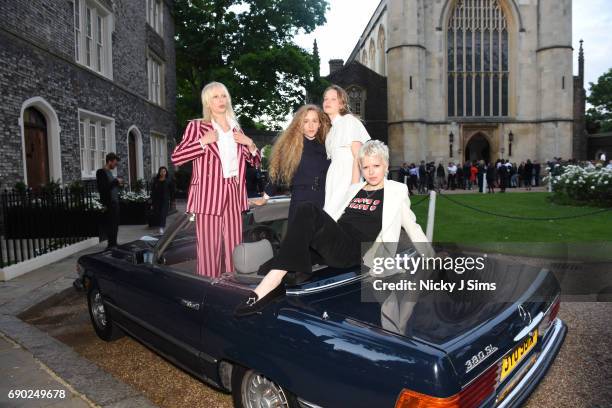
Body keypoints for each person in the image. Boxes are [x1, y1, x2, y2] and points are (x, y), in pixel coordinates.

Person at [235, 140, 434, 317]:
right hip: (333, 241)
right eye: (366, 167)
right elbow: (333, 216)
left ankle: (269, 285)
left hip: (353, 249)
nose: (371, 171)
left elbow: (412, 226)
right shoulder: (354, 189)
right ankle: (276, 284)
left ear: (386, 166)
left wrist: (431, 258)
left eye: (376, 165)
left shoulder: (396, 191)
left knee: (307, 209)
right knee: (266, 266)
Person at [171, 81, 261, 277]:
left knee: (234, 247)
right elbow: (176, 157)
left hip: (234, 193)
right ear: (207, 102)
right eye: (215, 97)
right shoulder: (197, 127)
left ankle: (232, 285)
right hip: (209, 194)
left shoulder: (236, 128)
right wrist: (203, 141)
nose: (221, 100)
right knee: (208, 249)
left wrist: (251, 144)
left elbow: (255, 163)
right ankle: (208, 289)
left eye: (223, 96)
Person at [251, 105, 331, 221]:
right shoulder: (292, 147)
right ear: (299, 124)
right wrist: (265, 198)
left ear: (319, 124)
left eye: (314, 121)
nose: (310, 125)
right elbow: (279, 174)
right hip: (300, 201)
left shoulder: (327, 146)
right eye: (306, 121)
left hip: (322, 201)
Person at [322, 85, 371, 213]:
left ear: (342, 104)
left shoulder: (349, 121)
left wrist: (353, 189)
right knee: (331, 218)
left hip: (347, 177)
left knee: (338, 217)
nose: (327, 102)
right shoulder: (330, 131)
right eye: (325, 99)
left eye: (333, 99)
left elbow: (358, 156)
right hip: (334, 177)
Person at [96, 153, 123, 249]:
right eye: (115, 163)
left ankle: (114, 243)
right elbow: (103, 188)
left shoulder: (110, 173)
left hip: (115, 201)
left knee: (115, 223)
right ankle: (111, 244)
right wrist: (116, 181)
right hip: (109, 202)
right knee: (110, 223)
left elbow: (111, 186)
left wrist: (118, 184)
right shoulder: (101, 172)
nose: (115, 166)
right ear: (109, 161)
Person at [150, 166, 174, 234]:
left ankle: (161, 227)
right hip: (156, 200)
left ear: (166, 172)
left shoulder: (169, 181)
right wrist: (151, 199)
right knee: (157, 213)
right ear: (159, 172)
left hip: (165, 200)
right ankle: (159, 227)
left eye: (164, 171)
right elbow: (153, 190)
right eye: (161, 171)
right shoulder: (156, 180)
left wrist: (172, 200)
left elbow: (172, 191)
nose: (163, 173)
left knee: (163, 214)